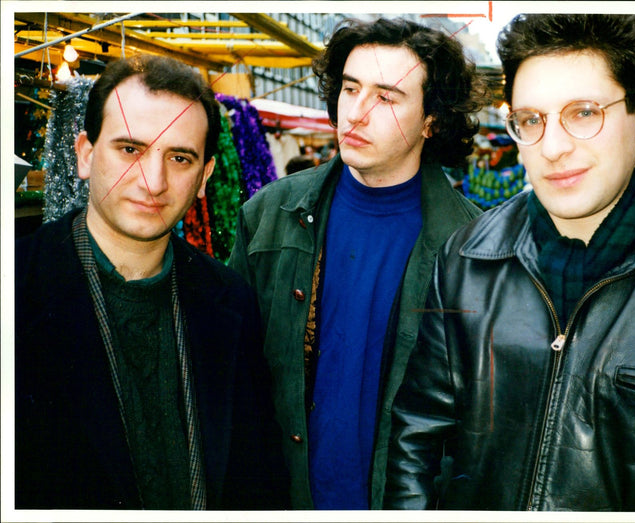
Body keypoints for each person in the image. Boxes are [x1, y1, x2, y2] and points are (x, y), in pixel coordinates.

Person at [384, 14, 635, 511]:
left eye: (583, 113)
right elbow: (417, 439)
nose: (552, 147)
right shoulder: (467, 258)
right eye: (531, 120)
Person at [228, 17, 484, 509]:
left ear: (432, 120)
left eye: (386, 97)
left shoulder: (472, 248)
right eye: (350, 89)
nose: (357, 113)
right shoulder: (268, 216)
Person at [15, 54, 289, 510]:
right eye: (130, 149)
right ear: (84, 155)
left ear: (204, 177)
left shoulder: (232, 300)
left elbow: (256, 473)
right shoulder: (19, 285)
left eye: (179, 158)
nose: (153, 181)